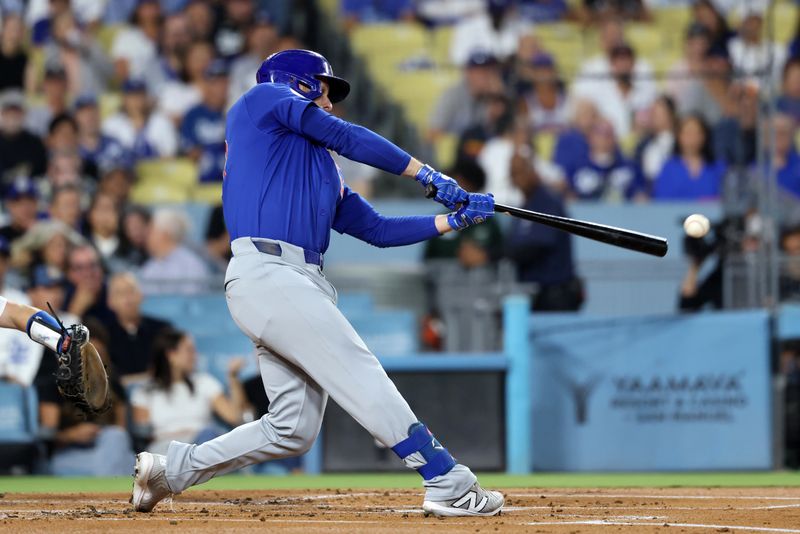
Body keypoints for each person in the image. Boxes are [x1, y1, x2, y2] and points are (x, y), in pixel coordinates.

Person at [130, 49, 503, 518]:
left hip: (293, 281)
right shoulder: (262, 99)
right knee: (358, 366)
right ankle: (445, 478)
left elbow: (378, 231)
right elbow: (344, 134)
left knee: (292, 428)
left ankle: (170, 472)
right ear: (298, 83)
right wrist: (424, 173)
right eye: (324, 90)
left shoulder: (322, 168)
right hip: (269, 272)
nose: (329, 102)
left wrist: (454, 221)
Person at [37, 316, 133, 476]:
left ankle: (109, 488)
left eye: (98, 355)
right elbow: (47, 438)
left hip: (108, 448)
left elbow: (121, 431)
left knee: (116, 438)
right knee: (122, 466)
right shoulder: (53, 384)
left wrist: (103, 434)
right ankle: (112, 491)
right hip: (70, 454)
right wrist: (71, 435)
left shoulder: (113, 383)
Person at [131, 328, 245, 455]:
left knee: (209, 436)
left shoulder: (204, 383)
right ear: (171, 355)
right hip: (165, 450)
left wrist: (233, 377)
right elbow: (143, 434)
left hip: (202, 445)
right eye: (189, 350)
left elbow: (234, 417)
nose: (195, 356)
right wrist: (178, 437)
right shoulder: (145, 392)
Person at [506, 146, 582, 311]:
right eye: (512, 173)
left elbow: (537, 246)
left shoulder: (546, 202)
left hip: (555, 295)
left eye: (520, 171)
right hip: (535, 294)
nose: (516, 178)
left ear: (533, 171)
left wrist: (491, 255)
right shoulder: (525, 205)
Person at [103, 272, 171, 385]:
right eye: (120, 293)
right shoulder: (104, 335)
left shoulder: (162, 329)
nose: (127, 298)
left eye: (131, 291)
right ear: (110, 302)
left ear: (141, 295)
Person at [565, 118, 642, 201]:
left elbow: (641, 195)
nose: (605, 138)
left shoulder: (630, 167)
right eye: (601, 133)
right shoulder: (576, 167)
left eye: (609, 133)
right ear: (590, 137)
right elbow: (569, 196)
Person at [138, 208, 211, 295]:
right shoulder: (150, 267)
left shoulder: (191, 265)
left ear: (164, 234)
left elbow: (191, 300)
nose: (146, 235)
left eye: (151, 231)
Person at [653, 114, 726, 201]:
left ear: (704, 136)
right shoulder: (668, 168)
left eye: (697, 133)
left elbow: (725, 199)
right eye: (688, 133)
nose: (692, 138)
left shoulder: (717, 167)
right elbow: (660, 201)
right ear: (679, 136)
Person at [102, 79, 178, 161]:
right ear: (124, 99)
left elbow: (170, 156)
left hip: (154, 171)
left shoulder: (162, 122)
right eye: (131, 96)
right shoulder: (111, 124)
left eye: (139, 96)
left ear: (146, 97)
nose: (135, 101)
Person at [180, 60, 228, 183]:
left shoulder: (235, 112)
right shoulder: (193, 115)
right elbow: (189, 151)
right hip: (202, 175)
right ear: (206, 85)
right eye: (215, 83)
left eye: (223, 82)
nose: (220, 87)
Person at [0, 90, 47, 182]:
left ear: (24, 113)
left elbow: (41, 175)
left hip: (29, 194)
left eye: (16, 111)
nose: (12, 116)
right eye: (8, 111)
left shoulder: (35, 143)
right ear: (2, 113)